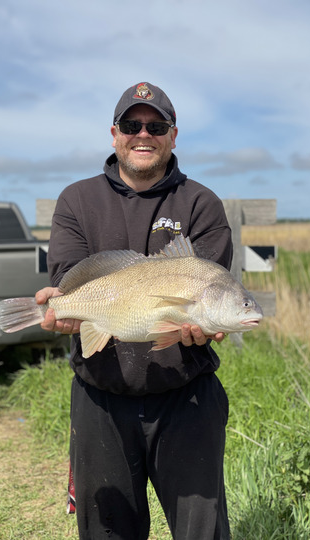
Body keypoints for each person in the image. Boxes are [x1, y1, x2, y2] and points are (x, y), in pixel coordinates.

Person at [36, 82, 233, 540]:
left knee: (202, 532)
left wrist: (202, 325)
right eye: (132, 124)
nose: (143, 134)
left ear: (173, 135)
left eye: (156, 125)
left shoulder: (202, 203)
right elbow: (68, 278)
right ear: (114, 134)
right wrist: (63, 308)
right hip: (100, 398)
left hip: (188, 399)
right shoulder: (76, 201)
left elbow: (213, 285)